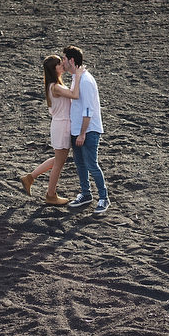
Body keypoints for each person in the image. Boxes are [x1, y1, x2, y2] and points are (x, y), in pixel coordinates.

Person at [20, 55, 86, 206]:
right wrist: (77, 75)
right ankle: (51, 195)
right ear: (53, 69)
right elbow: (74, 95)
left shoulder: (54, 85)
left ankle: (29, 178)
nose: (62, 64)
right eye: (59, 64)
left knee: (58, 160)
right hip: (62, 126)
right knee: (59, 163)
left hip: (59, 125)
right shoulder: (55, 87)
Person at [63, 45, 109, 214]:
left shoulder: (86, 80)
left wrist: (83, 133)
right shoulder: (76, 78)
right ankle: (86, 194)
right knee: (80, 164)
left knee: (91, 165)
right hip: (77, 130)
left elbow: (88, 110)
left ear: (71, 60)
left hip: (88, 131)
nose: (63, 62)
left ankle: (104, 198)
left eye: (64, 59)